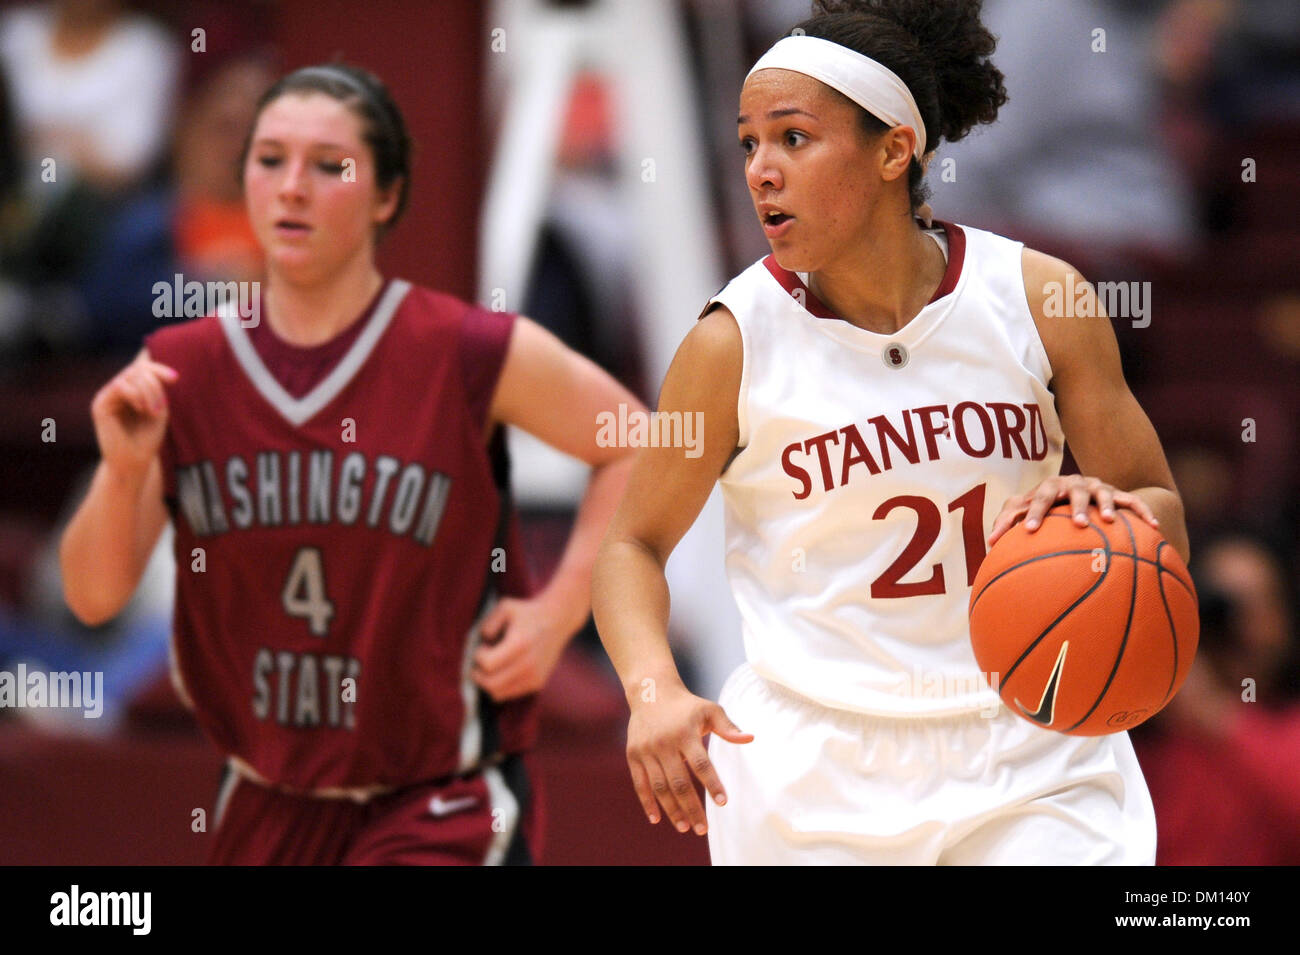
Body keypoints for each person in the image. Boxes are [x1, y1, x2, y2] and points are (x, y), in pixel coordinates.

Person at [592, 0, 1190, 865]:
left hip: (1031, 741)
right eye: (749, 143)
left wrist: (1115, 518)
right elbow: (631, 545)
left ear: (892, 148)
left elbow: (1157, 505)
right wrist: (652, 693)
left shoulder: (1037, 298)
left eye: (793, 139)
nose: (761, 169)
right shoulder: (731, 342)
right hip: (814, 761)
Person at [59, 63, 642, 865]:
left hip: (441, 799)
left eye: (328, 165)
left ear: (385, 197)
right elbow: (91, 597)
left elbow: (641, 442)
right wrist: (123, 474)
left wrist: (562, 608)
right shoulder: (179, 369)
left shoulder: (467, 350)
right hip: (266, 800)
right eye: (270, 160)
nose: (291, 187)